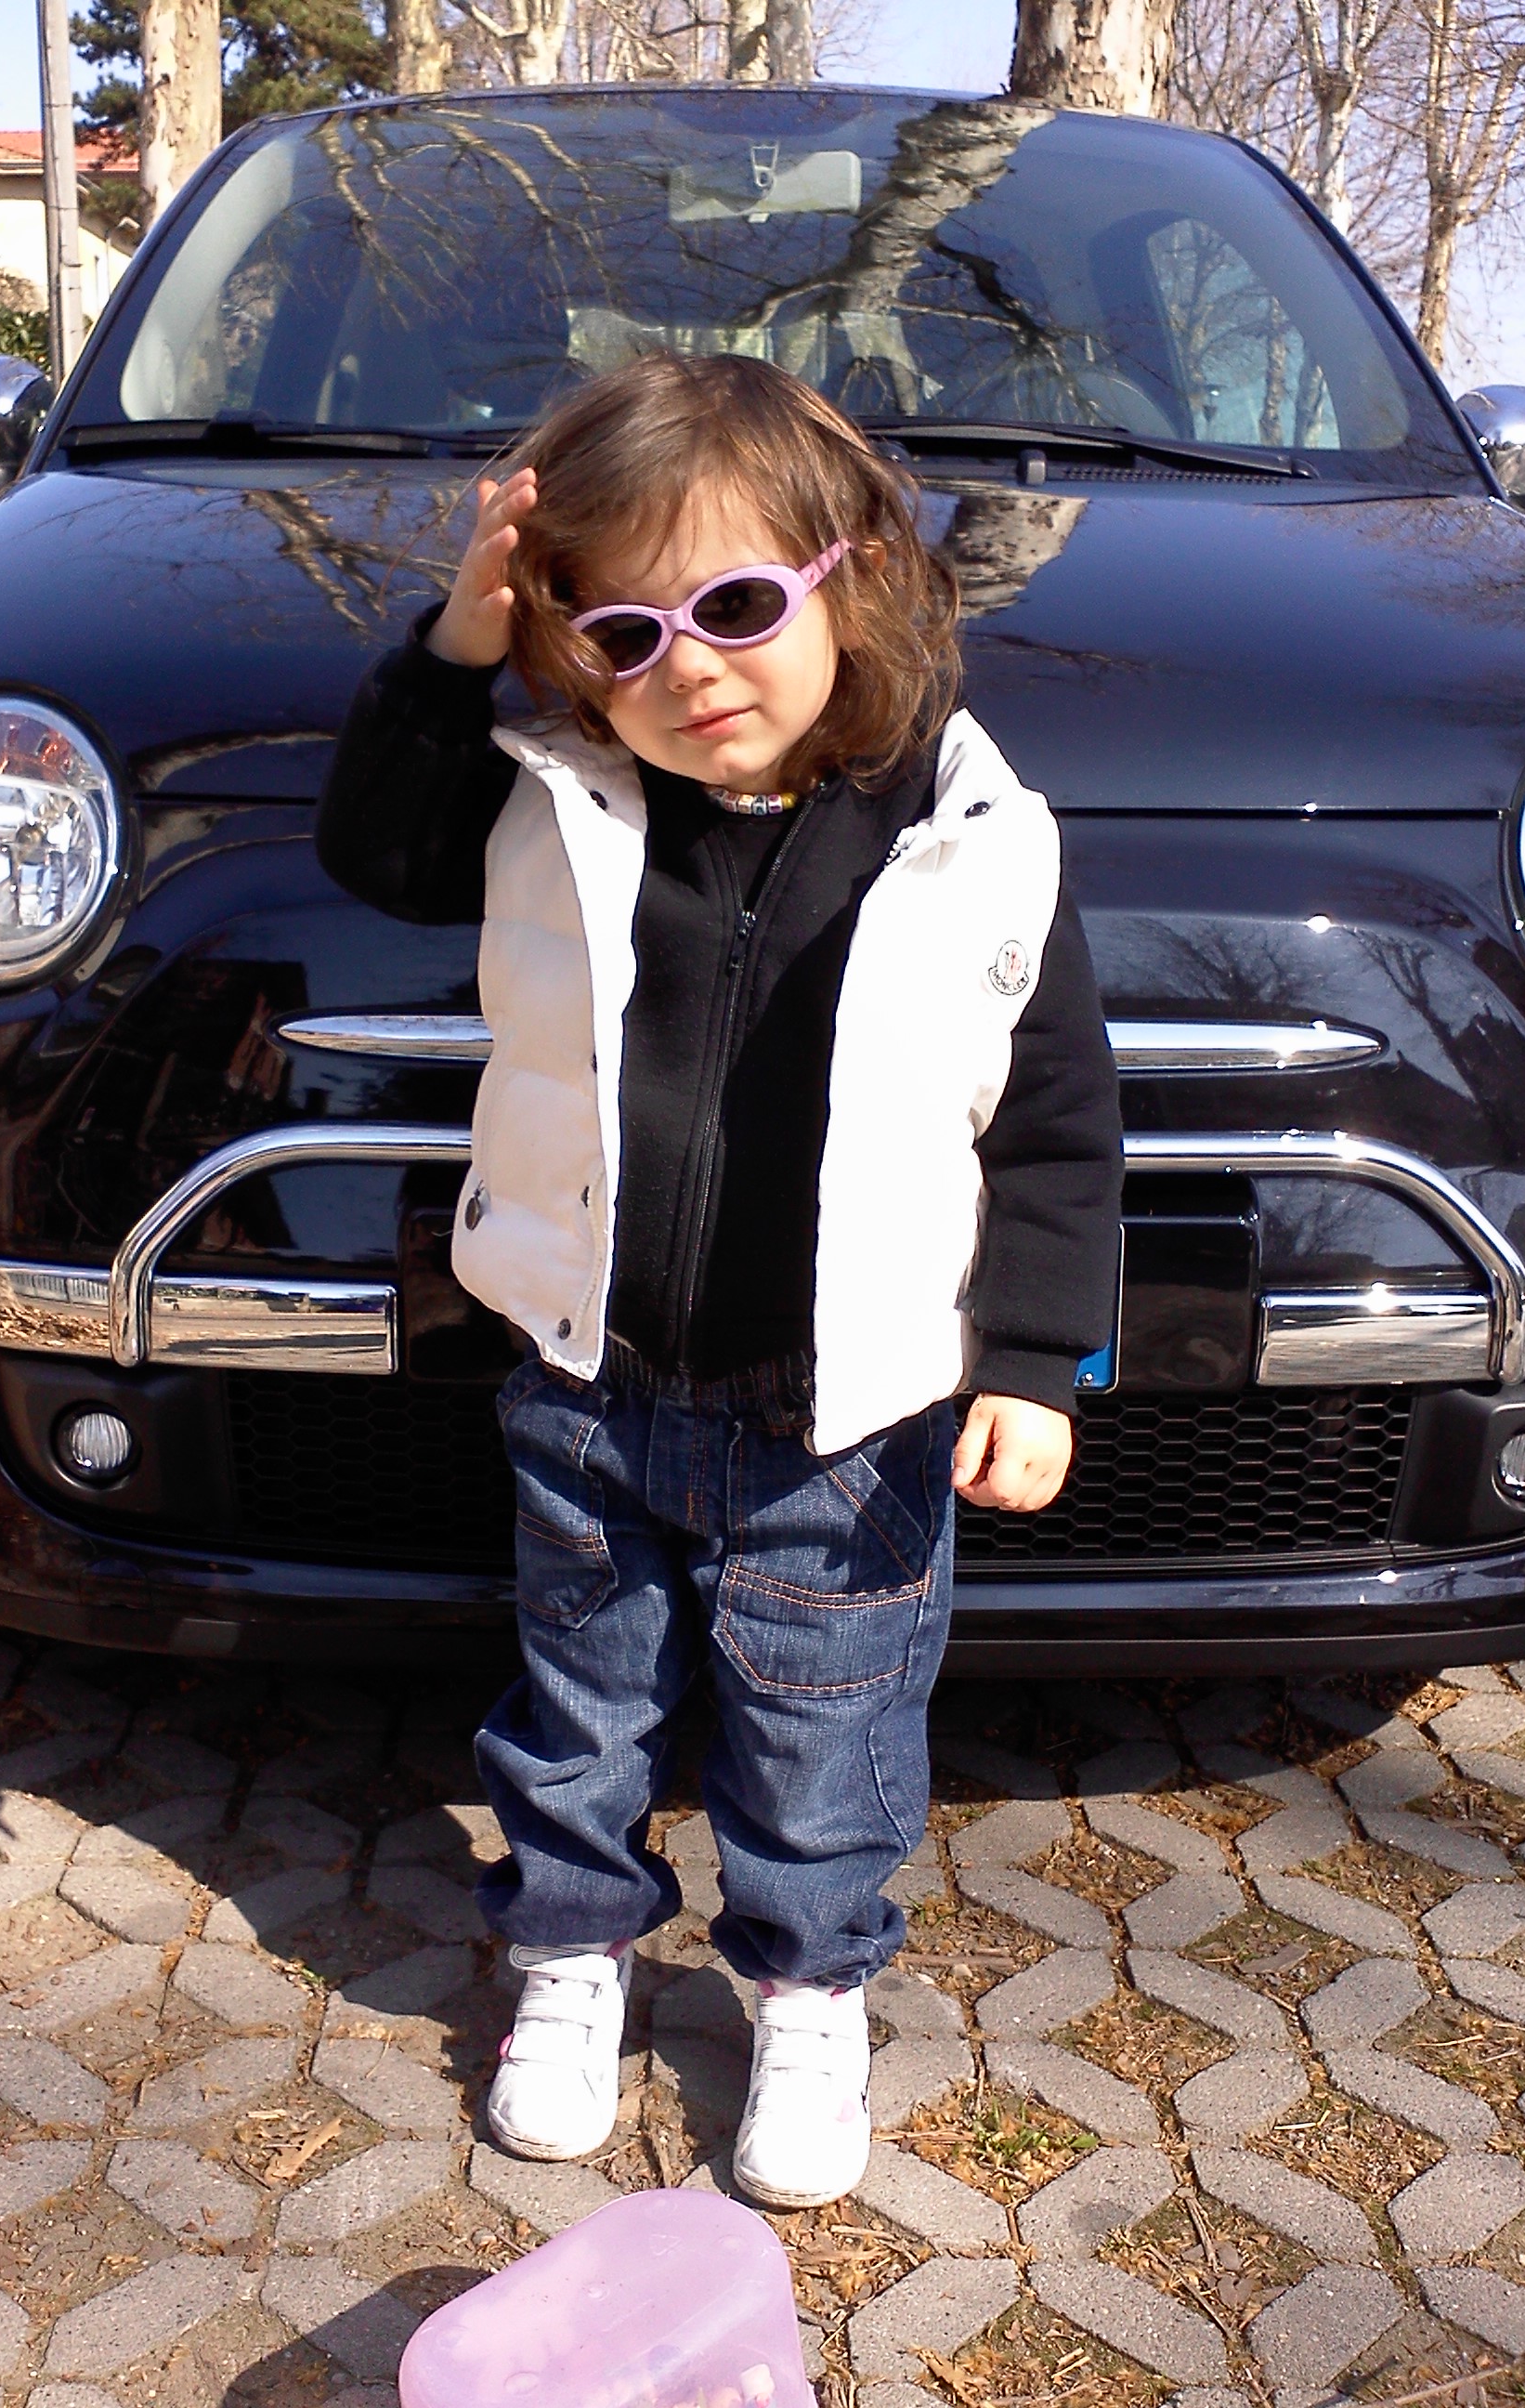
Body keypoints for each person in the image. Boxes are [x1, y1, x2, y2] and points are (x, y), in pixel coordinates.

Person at [316, 352, 1123, 2211]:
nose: (690, 670)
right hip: (591, 1374)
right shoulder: (558, 793)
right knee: (578, 1705)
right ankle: (570, 1949)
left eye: (739, 607)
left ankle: (809, 1994)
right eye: (624, 635)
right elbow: (378, 848)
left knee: (827, 1733)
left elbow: (1060, 1119)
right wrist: (454, 646)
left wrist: (1032, 1361)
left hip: (851, 1413)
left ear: (854, 575)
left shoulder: (976, 835)